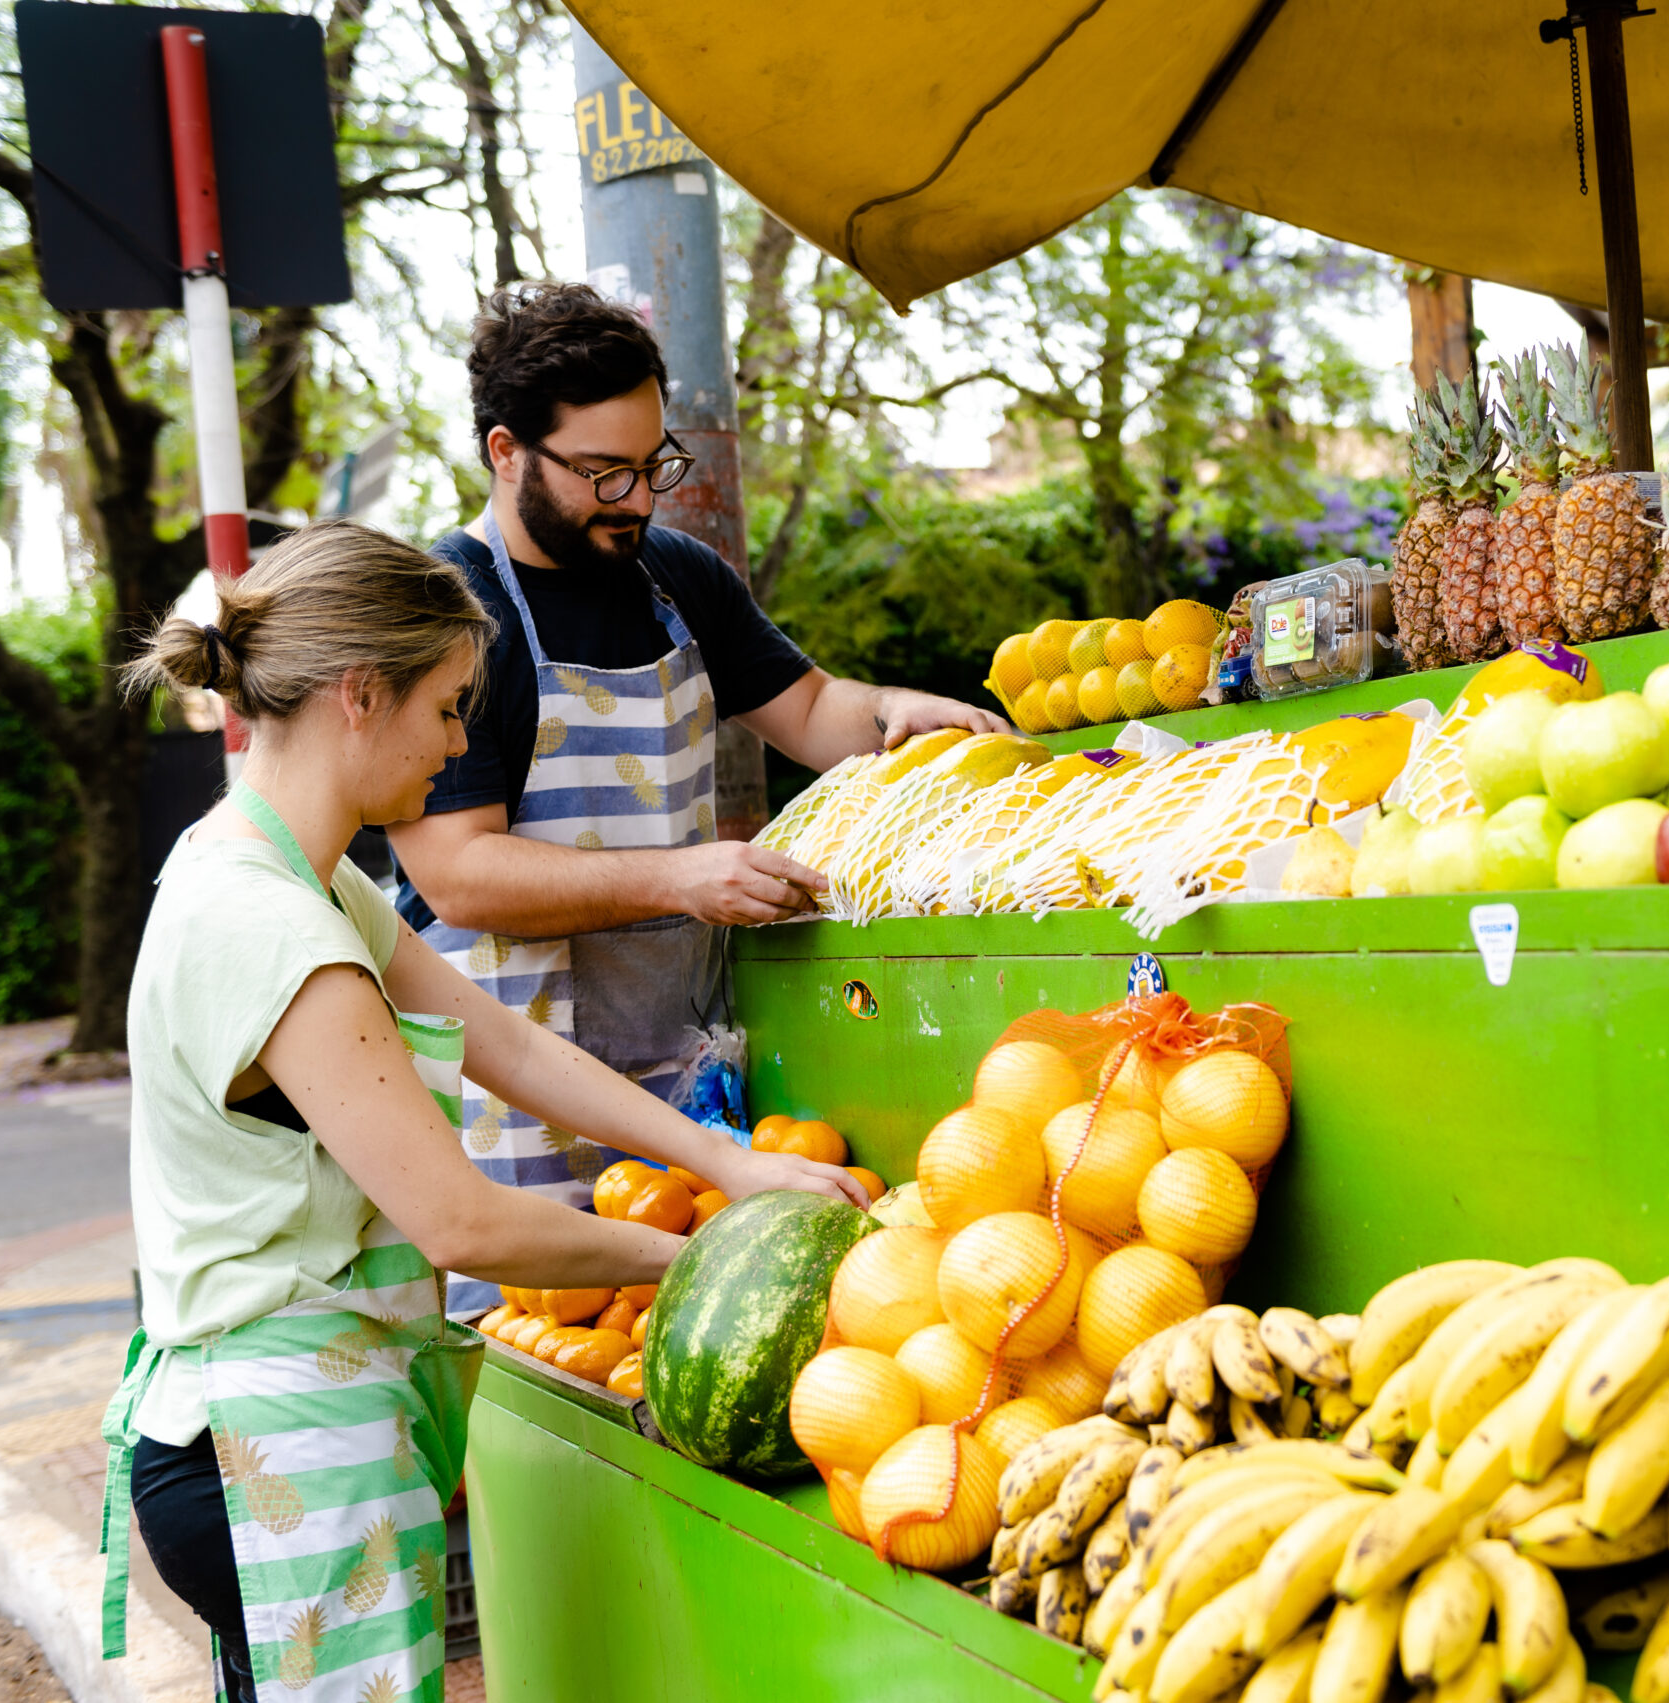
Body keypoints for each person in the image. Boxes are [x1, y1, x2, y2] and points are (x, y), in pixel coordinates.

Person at [98, 521, 864, 1703]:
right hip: (277, 1452)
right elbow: (460, 1223)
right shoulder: (271, 920)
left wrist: (730, 1164)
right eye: (451, 707)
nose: (461, 745)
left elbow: (501, 1039)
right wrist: (722, 1258)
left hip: (279, 1432)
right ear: (362, 694)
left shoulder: (293, 869)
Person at [387, 283, 1004, 1308]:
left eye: (652, 463)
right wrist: (684, 876)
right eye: (602, 471)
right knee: (540, 1353)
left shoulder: (678, 576)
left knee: (687, 1321)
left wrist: (894, 709)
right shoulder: (448, 610)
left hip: (680, 1069)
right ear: (505, 451)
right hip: (510, 1086)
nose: (637, 498)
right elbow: (456, 875)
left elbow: (809, 709)